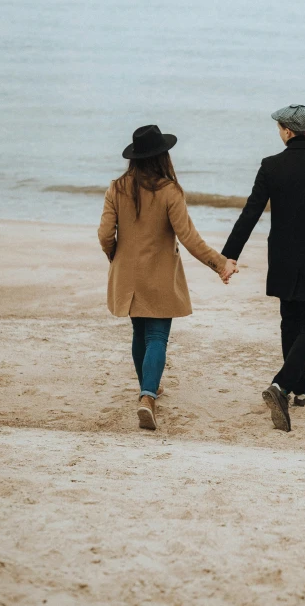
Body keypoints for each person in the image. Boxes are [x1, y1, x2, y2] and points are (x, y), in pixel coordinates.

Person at [222, 104, 305, 432]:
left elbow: (250, 214)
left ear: (286, 131)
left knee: (290, 323)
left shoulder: (271, 166)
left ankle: (301, 388)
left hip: (281, 257)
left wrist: (229, 255)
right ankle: (282, 386)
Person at [98, 124, 237, 430]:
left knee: (140, 333)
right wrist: (221, 264)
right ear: (162, 157)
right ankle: (148, 395)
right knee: (157, 336)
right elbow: (189, 237)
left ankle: (147, 389)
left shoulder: (116, 188)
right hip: (159, 275)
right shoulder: (168, 190)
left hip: (128, 276)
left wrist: (115, 256)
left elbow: (105, 234)